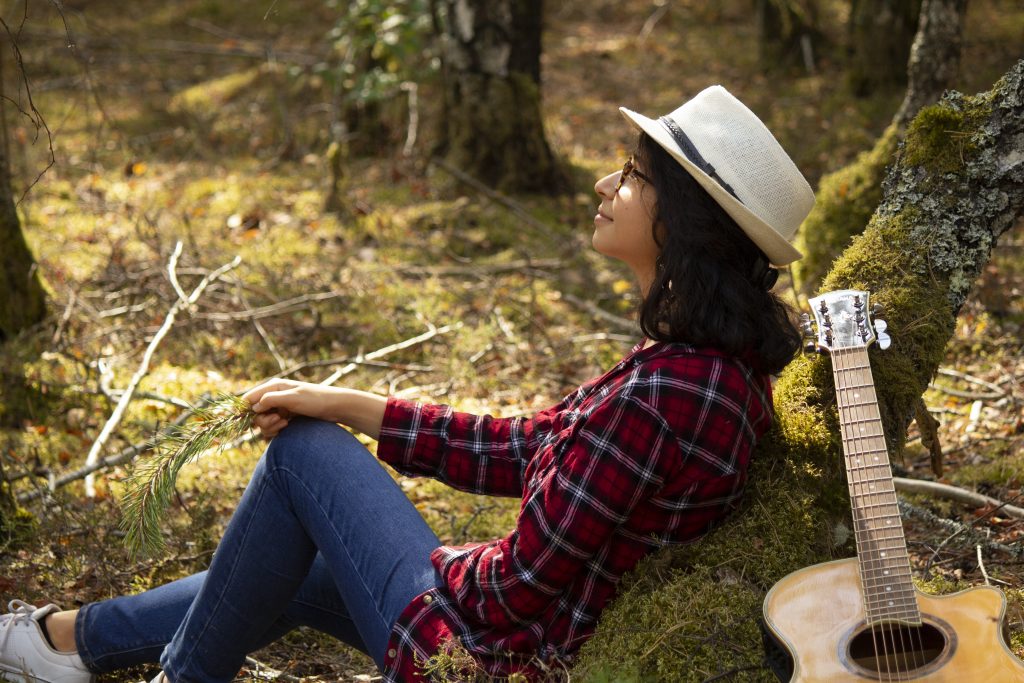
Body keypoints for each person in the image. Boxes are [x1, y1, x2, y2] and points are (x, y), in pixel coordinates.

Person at [0, 84, 815, 683]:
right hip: (532, 645)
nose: (606, 186)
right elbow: (526, 446)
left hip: (481, 662)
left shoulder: (662, 397)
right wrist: (348, 403)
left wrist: (435, 558)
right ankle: (67, 640)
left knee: (304, 459)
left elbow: (510, 593)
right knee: (291, 559)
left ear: (684, 220)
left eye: (632, 177)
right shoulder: (709, 374)